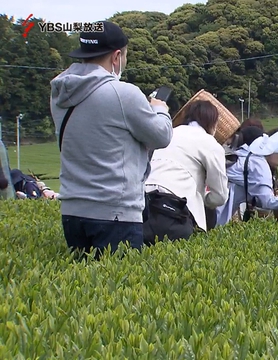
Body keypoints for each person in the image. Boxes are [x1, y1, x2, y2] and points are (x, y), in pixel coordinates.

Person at [50, 21, 173, 258]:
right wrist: (159, 109)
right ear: (116, 57)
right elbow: (162, 136)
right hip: (116, 213)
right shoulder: (123, 94)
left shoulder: (59, 93)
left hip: (72, 211)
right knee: (117, 289)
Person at [144, 100, 229, 242]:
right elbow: (220, 196)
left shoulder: (169, 134)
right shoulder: (209, 143)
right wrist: (203, 198)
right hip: (175, 210)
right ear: (212, 123)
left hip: (144, 203)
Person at [215, 127, 278, 225]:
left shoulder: (247, 154)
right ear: (274, 149)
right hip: (216, 212)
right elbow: (267, 201)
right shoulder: (260, 165)